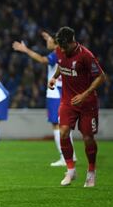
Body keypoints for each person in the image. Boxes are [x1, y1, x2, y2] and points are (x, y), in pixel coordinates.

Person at [48, 27, 106, 187]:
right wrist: (54, 77)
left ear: (73, 42)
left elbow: (101, 77)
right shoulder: (60, 51)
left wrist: (85, 94)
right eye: (59, 46)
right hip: (67, 101)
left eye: (64, 46)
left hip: (87, 104)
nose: (62, 49)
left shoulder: (86, 56)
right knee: (64, 132)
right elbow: (61, 64)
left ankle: (91, 172)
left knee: (88, 138)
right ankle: (71, 170)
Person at [12, 32, 77, 166]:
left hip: (56, 93)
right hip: (63, 90)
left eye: (49, 41)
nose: (46, 43)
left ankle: (64, 157)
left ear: (56, 43)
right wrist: (49, 37)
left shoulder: (56, 53)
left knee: (57, 125)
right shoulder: (63, 52)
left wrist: (25, 50)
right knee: (63, 124)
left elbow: (42, 60)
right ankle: (71, 155)